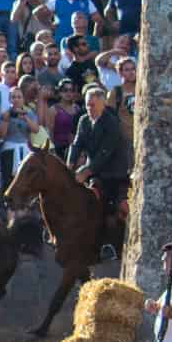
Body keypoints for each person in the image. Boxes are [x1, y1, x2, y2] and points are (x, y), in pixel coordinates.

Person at [64, 84, 130, 260]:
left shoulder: (111, 123)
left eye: (92, 105)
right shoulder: (84, 121)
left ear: (102, 105)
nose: (89, 108)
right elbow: (77, 143)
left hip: (115, 174)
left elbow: (105, 153)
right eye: (87, 104)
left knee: (110, 209)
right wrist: (70, 164)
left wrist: (86, 170)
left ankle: (110, 245)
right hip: (96, 172)